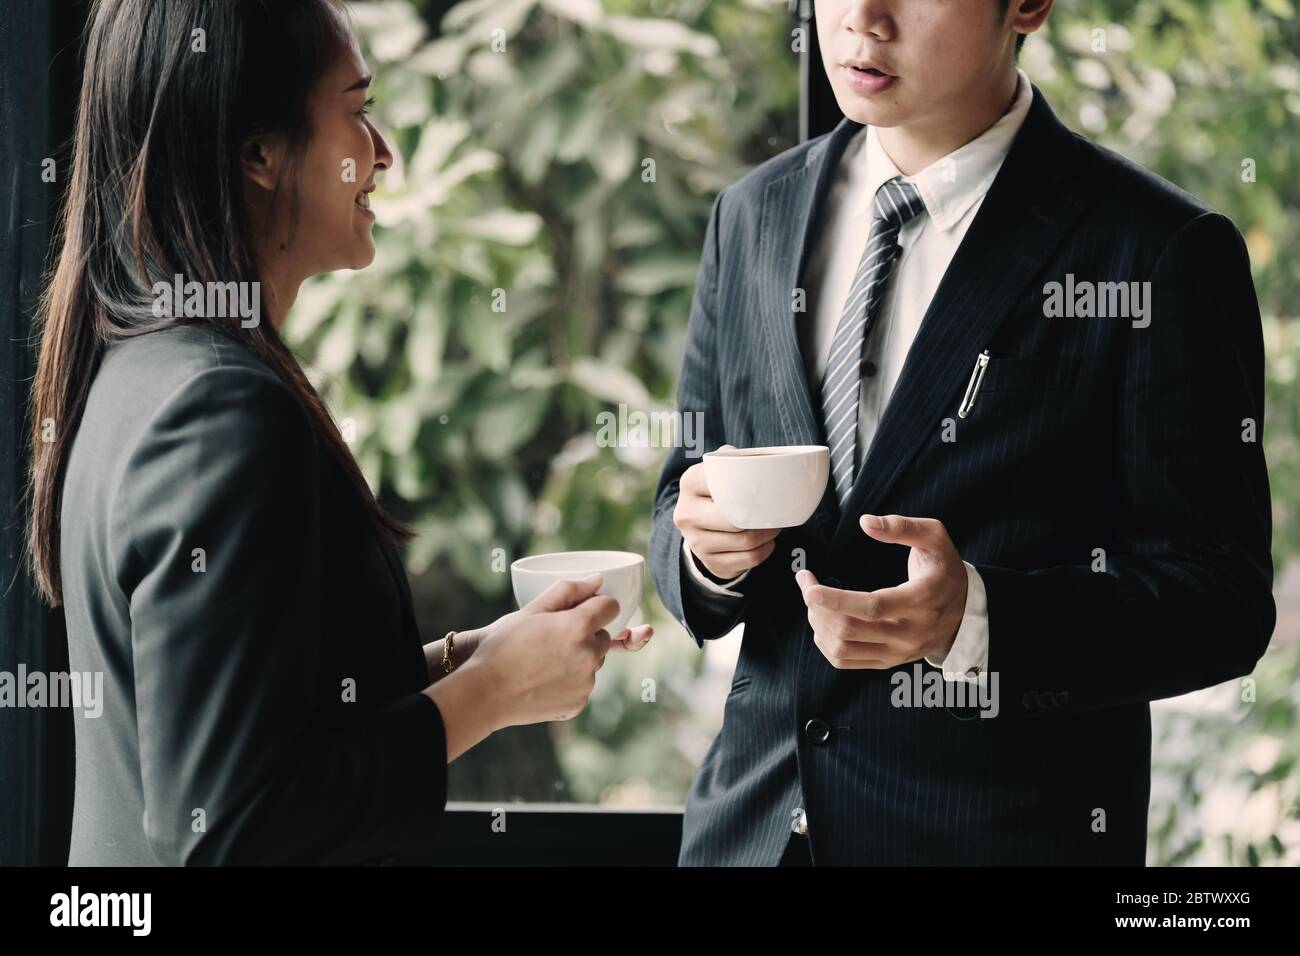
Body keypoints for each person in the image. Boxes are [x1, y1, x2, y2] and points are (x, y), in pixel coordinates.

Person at [27, 0, 651, 866]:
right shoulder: (219, 415)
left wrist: (467, 660)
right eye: (358, 111)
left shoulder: (142, 372)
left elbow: (261, 719)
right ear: (259, 154)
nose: (384, 153)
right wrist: (496, 693)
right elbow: (232, 831)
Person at [649, 0, 1274, 865]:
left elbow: (1222, 603)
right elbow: (681, 489)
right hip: (745, 838)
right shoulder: (752, 213)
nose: (863, 18)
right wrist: (706, 555)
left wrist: (974, 620)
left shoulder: (1154, 250)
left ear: (1027, 6)